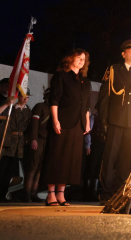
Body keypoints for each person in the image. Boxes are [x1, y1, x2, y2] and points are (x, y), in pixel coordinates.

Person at [97, 39, 131, 200]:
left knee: (126, 159)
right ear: (123, 53)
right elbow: (104, 97)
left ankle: (120, 191)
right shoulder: (113, 70)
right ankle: (106, 192)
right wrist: (103, 120)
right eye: (130, 51)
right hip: (116, 120)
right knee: (110, 157)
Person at [42, 49, 91, 206]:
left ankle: (61, 194)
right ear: (70, 59)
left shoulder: (85, 81)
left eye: (84, 59)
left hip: (78, 124)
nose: (81, 60)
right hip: (62, 121)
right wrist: (55, 120)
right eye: (78, 57)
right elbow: (54, 99)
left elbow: (87, 105)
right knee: (56, 157)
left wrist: (87, 123)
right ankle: (50, 194)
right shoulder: (61, 76)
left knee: (69, 160)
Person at [0, 89, 31, 202]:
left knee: (10, 172)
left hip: (20, 144)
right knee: (1, 170)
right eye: (23, 96)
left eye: (27, 97)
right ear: (18, 97)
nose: (25, 99)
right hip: (8, 142)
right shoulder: (11, 108)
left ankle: (3, 195)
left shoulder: (28, 110)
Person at [23, 87, 50, 202]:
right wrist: (33, 139)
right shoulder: (40, 106)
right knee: (32, 167)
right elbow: (34, 124)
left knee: (40, 169)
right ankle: (27, 193)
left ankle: (34, 192)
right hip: (38, 139)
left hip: (47, 140)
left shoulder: (53, 109)